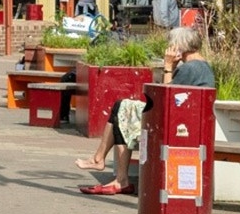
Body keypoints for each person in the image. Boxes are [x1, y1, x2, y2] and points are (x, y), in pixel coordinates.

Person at [78, 27, 214, 195]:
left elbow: (166, 97)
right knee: (122, 109)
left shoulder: (189, 68)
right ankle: (106, 165)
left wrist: (168, 67)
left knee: (122, 109)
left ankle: (109, 169)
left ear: (179, 45)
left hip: (178, 124)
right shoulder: (201, 66)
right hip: (186, 119)